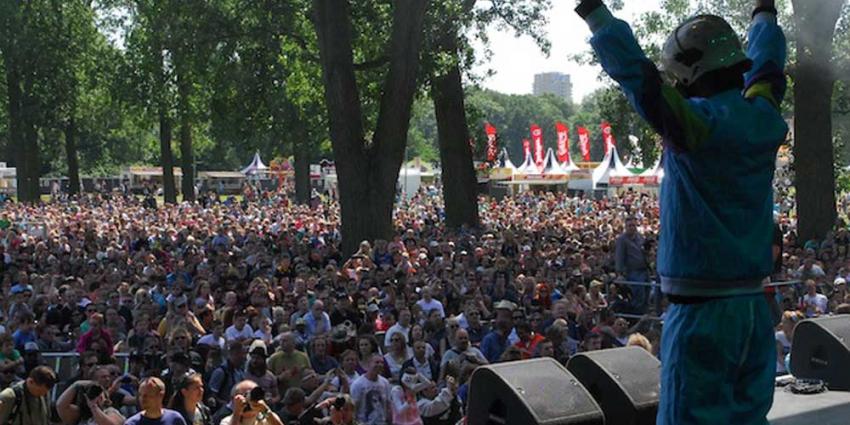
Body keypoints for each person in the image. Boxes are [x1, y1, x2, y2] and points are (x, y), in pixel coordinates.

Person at [576, 0, 787, 423]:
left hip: (702, 315)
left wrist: (596, 13)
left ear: (689, 71)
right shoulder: (764, 116)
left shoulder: (696, 126)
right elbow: (768, 66)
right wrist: (764, 13)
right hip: (755, 308)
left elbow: (641, 79)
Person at [615, 217, 650, 312]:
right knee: (638, 295)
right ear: (626, 227)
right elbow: (619, 257)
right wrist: (619, 273)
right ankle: (636, 318)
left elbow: (644, 251)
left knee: (647, 293)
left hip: (644, 269)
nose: (632, 228)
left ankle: (644, 316)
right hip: (633, 271)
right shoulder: (622, 240)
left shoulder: (639, 236)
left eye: (634, 225)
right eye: (630, 225)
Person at [219, 380, 285, 425]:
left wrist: (265, 410)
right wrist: (237, 412)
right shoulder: (227, 421)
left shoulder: (265, 417)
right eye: (244, 395)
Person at [351, 354, 392, 425]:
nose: (380, 365)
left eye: (382, 363)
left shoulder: (385, 383)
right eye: (377, 362)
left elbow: (388, 405)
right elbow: (354, 408)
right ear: (369, 364)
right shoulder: (358, 384)